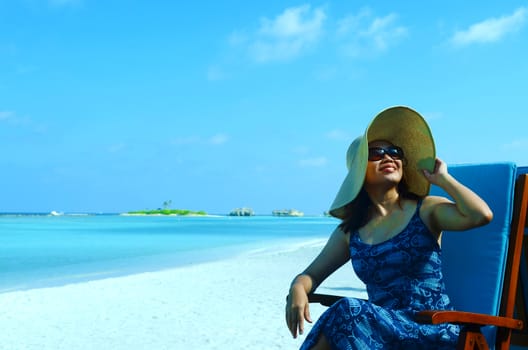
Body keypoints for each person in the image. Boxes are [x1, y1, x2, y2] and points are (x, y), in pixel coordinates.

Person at [285, 106, 493, 349]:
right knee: (343, 316)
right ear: (359, 172)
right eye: (376, 153)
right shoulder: (351, 232)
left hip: (432, 330)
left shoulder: (426, 210)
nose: (388, 157)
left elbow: (481, 215)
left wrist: (443, 180)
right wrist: (298, 287)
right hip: (380, 335)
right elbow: (311, 275)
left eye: (394, 152)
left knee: (345, 311)